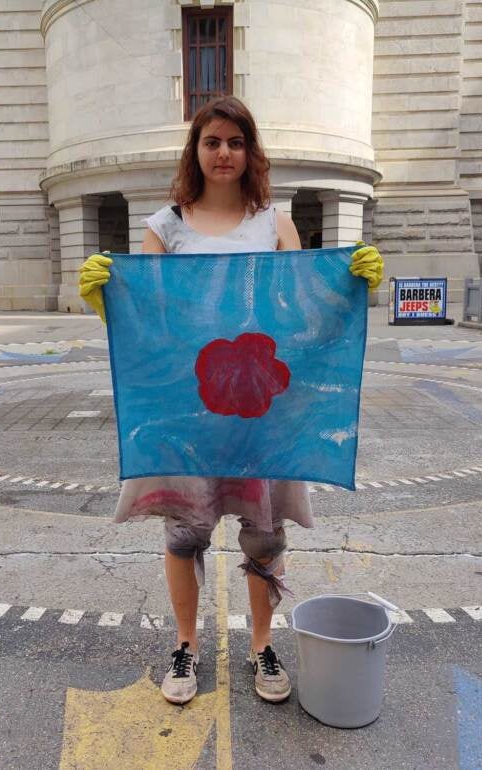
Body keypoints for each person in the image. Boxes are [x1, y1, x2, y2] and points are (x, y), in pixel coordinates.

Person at [78, 96, 384, 705]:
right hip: (190, 412)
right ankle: (185, 647)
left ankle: (262, 645)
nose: (223, 153)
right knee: (184, 535)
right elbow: (156, 320)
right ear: (195, 150)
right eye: (212, 141)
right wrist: (108, 301)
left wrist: (354, 286)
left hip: (264, 411)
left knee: (265, 537)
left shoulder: (274, 223)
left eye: (235, 142)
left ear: (251, 151)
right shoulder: (166, 226)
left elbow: (302, 310)